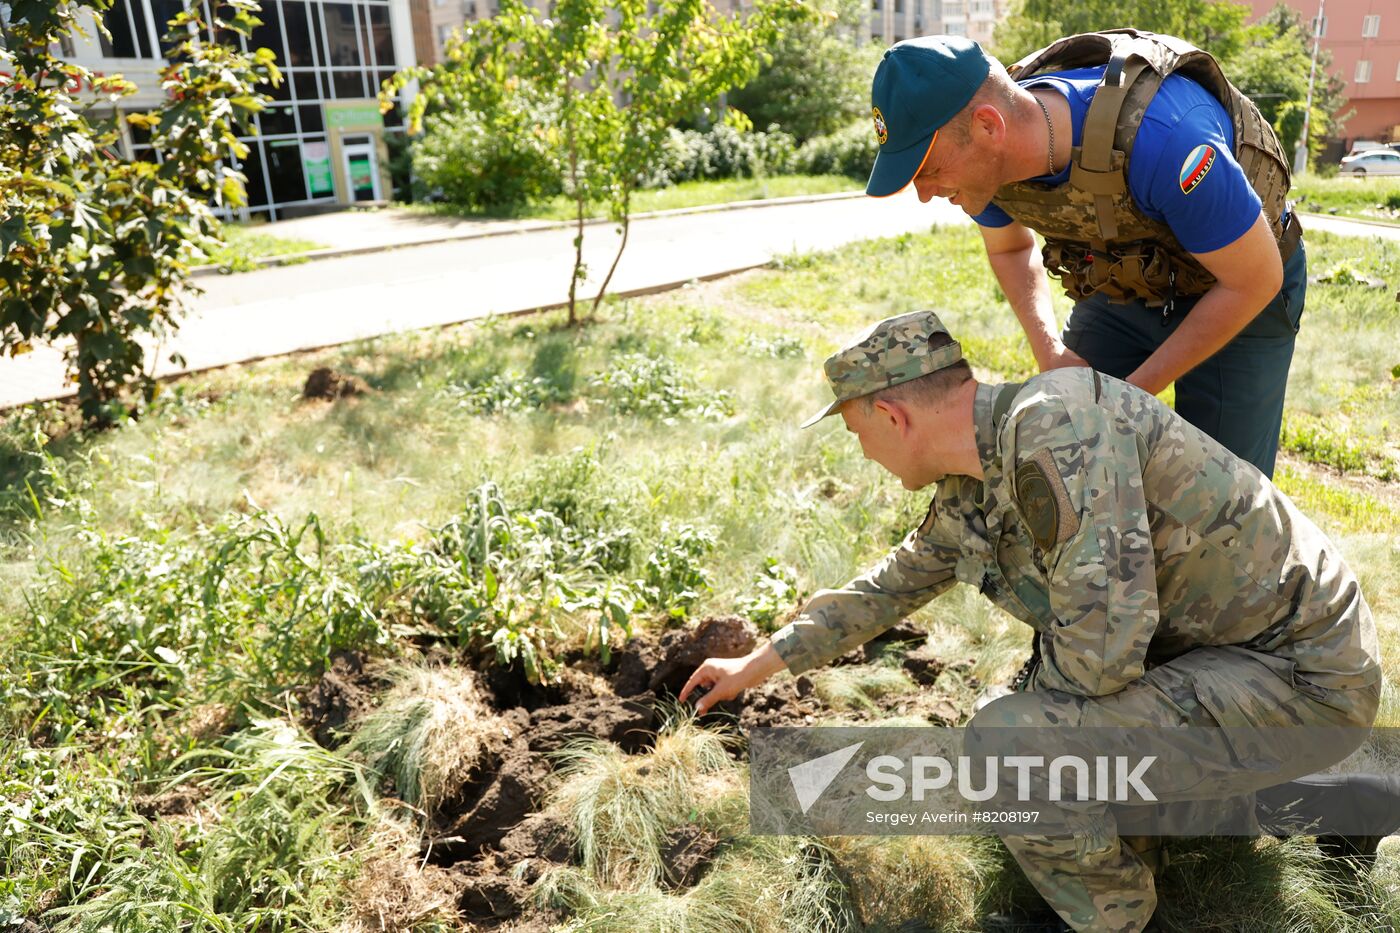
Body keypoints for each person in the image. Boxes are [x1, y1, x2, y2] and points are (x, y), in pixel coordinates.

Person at [680, 310, 1384, 932]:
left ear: (891, 415)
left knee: (1012, 746)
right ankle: (1338, 801)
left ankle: (1118, 919)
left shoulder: (1057, 428)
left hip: (1304, 673)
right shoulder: (974, 480)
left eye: (857, 429)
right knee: (1028, 742)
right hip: (1228, 659)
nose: (861, 452)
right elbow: (884, 590)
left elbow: (1103, 655)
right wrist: (756, 664)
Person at [865, 32, 1305, 477]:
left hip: (1241, 284)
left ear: (988, 126)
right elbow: (1012, 249)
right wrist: (1051, 352)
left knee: (1223, 495)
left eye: (930, 170)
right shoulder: (990, 166)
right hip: (1127, 284)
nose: (924, 194)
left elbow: (1254, 279)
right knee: (1066, 448)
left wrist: (1132, 396)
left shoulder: (1164, 139)